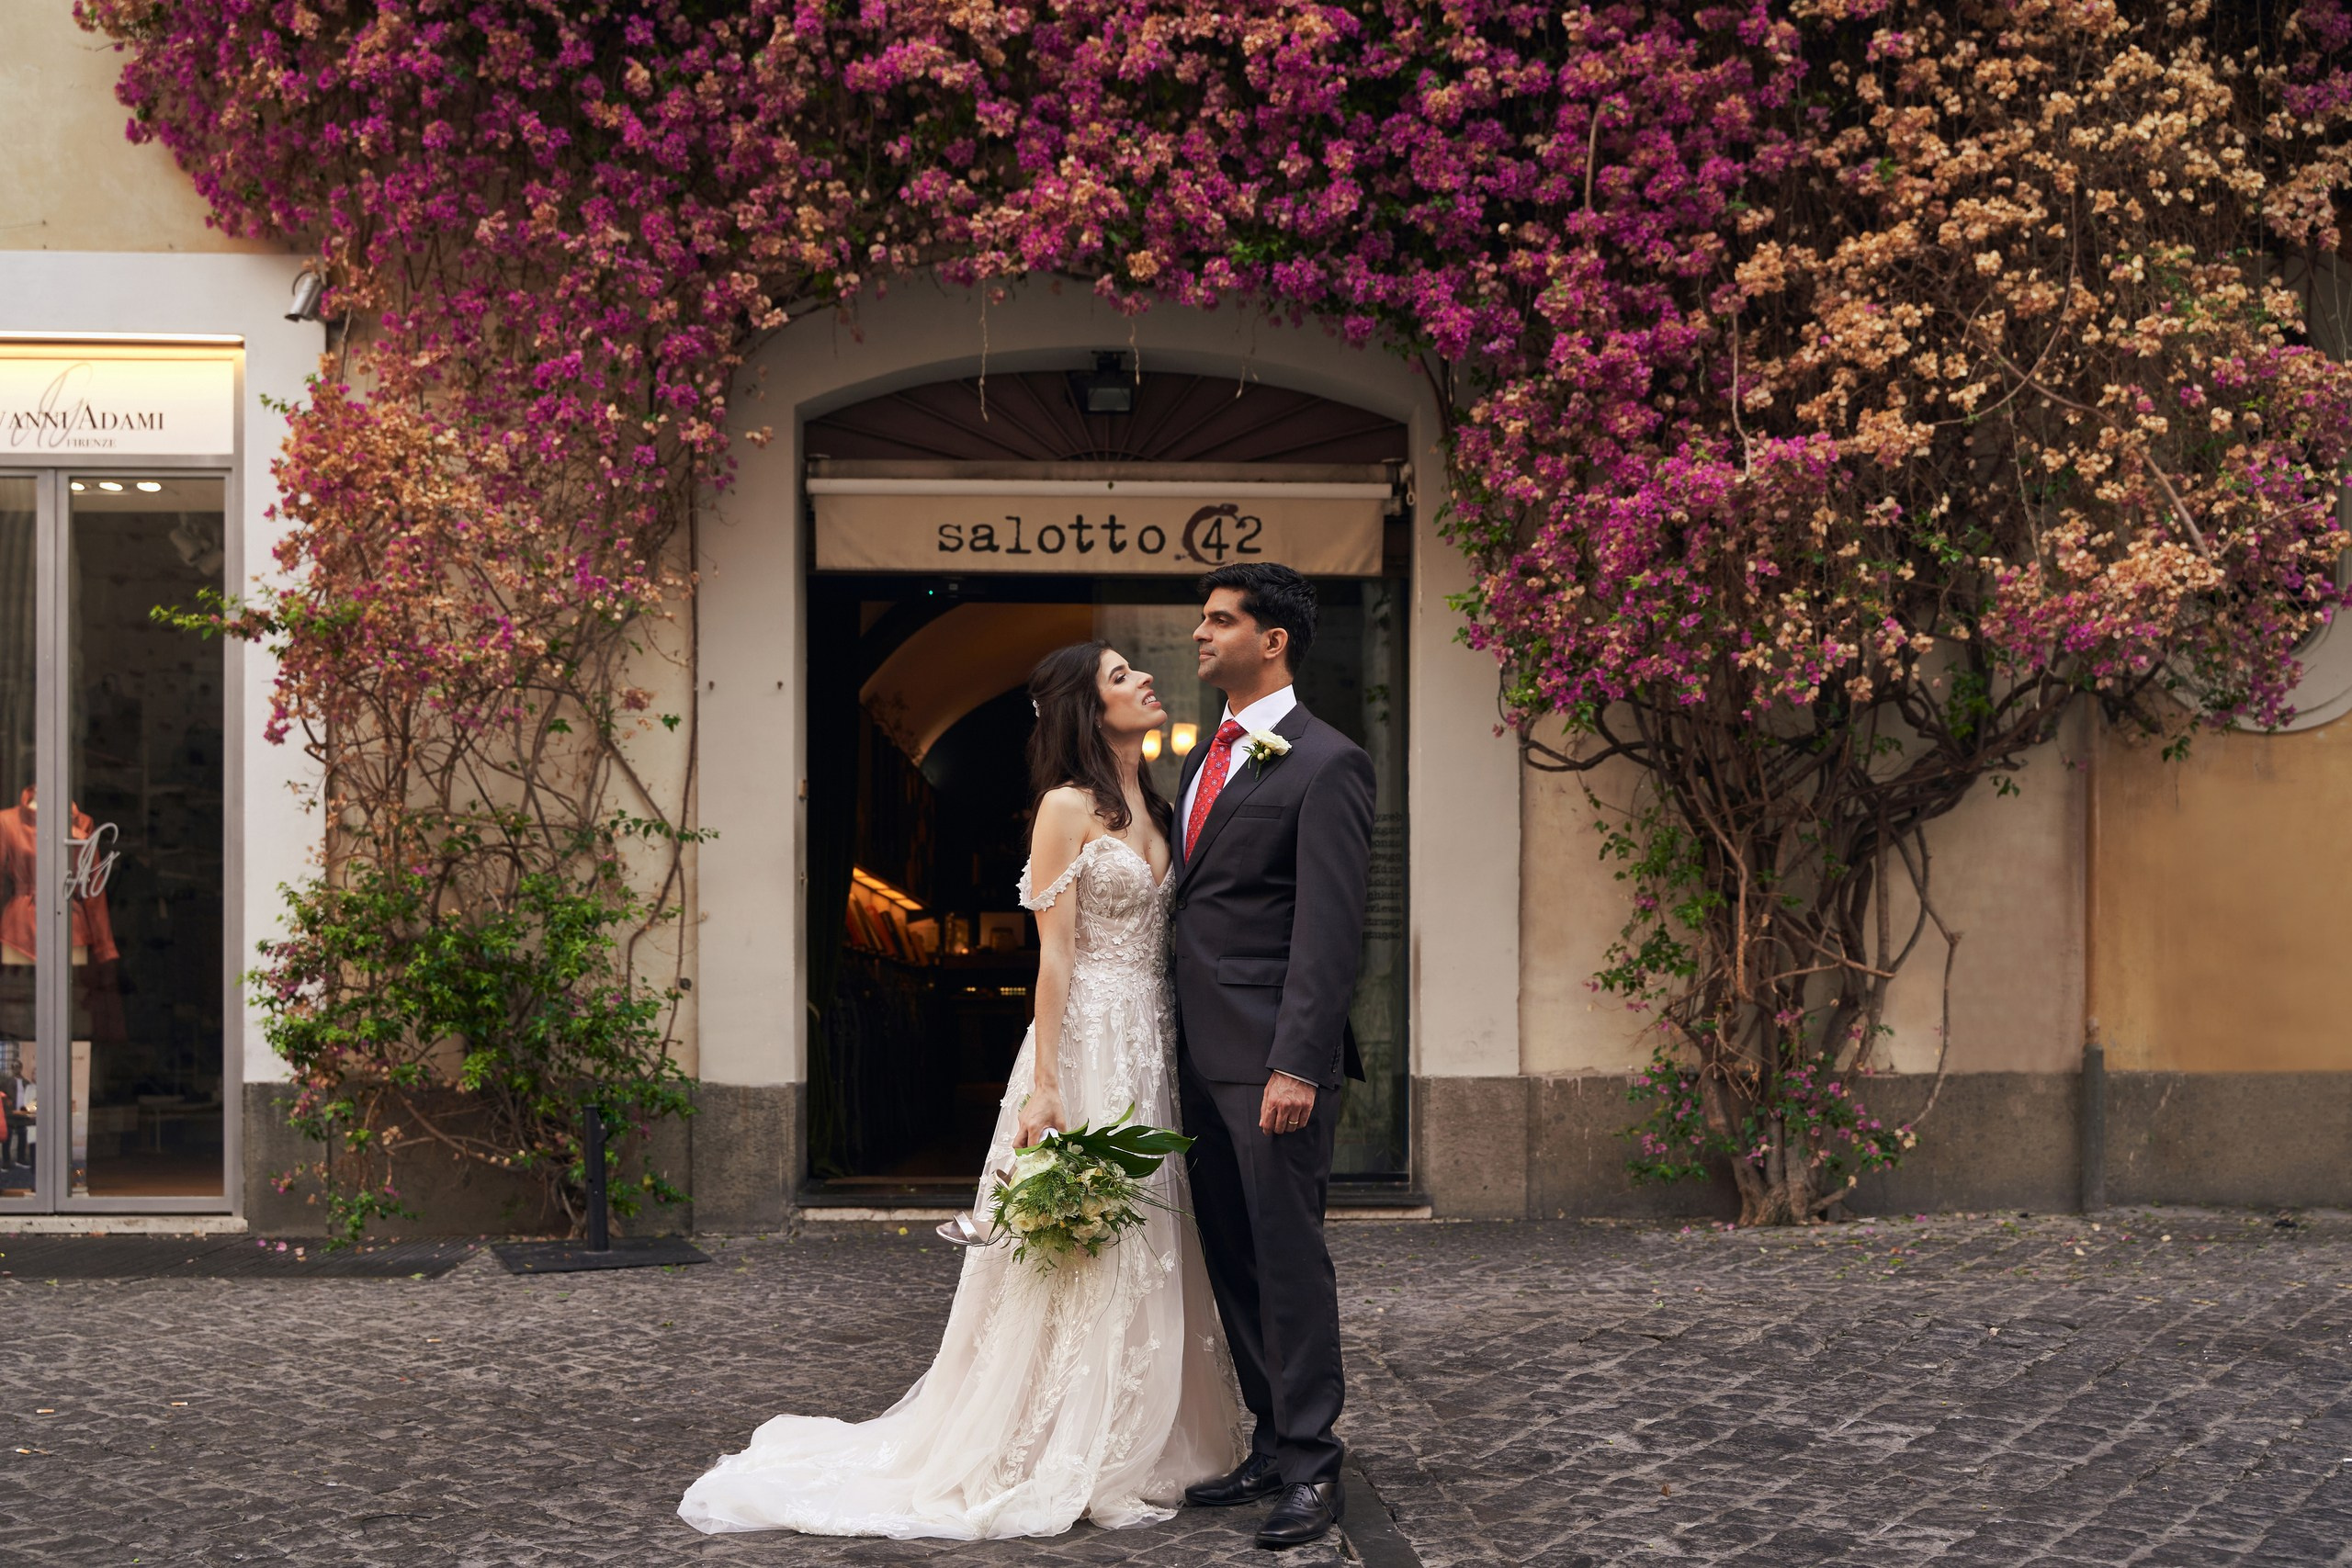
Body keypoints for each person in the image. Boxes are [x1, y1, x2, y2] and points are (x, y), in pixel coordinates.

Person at [678, 641, 1245, 1540]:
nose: (1142, 679)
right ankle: (1055, 1433)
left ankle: (1147, 1427)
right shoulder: (1065, 807)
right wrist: (1048, 1086)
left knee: (1150, 1225)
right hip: (1089, 1039)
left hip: (1153, 1038)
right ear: (1086, 709)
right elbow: (1054, 954)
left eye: (1137, 670)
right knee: (1082, 1232)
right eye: (1119, 674)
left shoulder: (1159, 803)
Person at [1170, 562, 1375, 1550]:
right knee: (1233, 1259)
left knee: (1287, 1261)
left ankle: (1312, 1465)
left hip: (1272, 1065)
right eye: (1202, 620)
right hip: (1197, 1061)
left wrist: (1297, 1062)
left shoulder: (1326, 762)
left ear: (1273, 639)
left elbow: (1329, 933)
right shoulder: (1199, 760)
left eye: (1220, 621)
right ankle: (1266, 1439)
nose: (1201, 635)